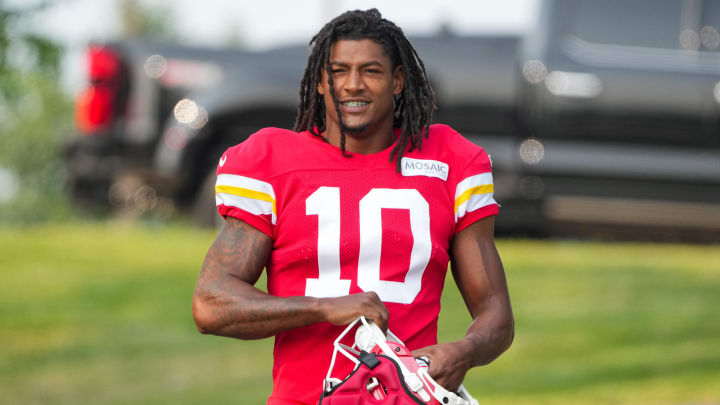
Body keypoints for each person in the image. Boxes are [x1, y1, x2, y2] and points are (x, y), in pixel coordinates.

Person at [192, 8, 513, 405]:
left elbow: (497, 314)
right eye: (339, 71)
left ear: (397, 81)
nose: (353, 85)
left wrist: (466, 351)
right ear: (321, 83)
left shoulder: (449, 162)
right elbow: (210, 303)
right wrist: (325, 307)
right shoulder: (272, 162)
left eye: (371, 71)